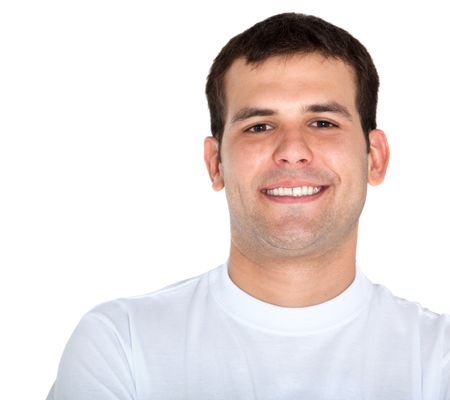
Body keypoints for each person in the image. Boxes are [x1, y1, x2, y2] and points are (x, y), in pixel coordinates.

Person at [47, 12, 450, 399]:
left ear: (375, 157)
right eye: (259, 126)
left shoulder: (439, 358)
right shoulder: (122, 345)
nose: (292, 151)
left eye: (323, 122)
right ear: (215, 163)